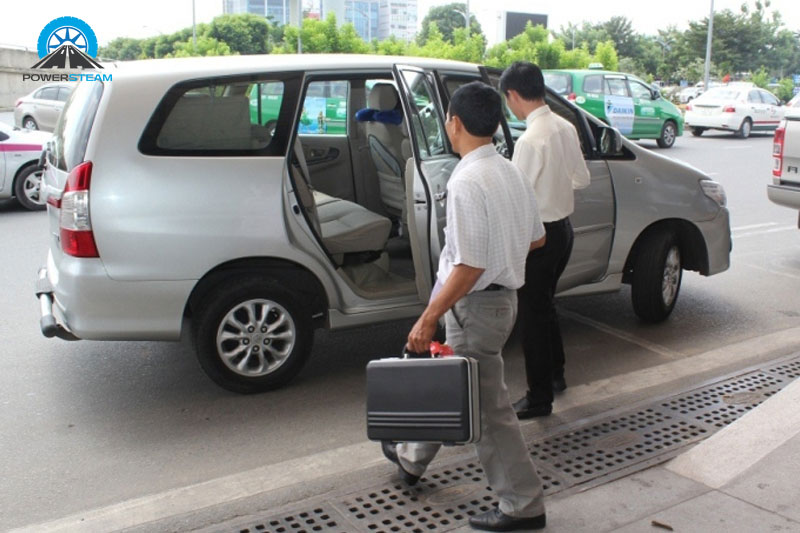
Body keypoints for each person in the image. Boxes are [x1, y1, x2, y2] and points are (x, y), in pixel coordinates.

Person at [381, 81, 548, 532]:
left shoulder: (466, 179)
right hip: (500, 302)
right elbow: (537, 237)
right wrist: (503, 256)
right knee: (458, 388)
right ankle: (411, 459)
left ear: (453, 122)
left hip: (475, 307)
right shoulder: (509, 169)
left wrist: (429, 315)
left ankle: (523, 505)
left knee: (489, 414)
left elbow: (470, 264)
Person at [499, 61, 591, 419]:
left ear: (514, 95)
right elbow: (581, 179)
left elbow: (517, 200)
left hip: (538, 239)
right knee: (546, 306)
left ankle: (539, 399)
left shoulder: (529, 141)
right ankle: (556, 376)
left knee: (532, 319)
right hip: (563, 233)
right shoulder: (565, 127)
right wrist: (554, 188)